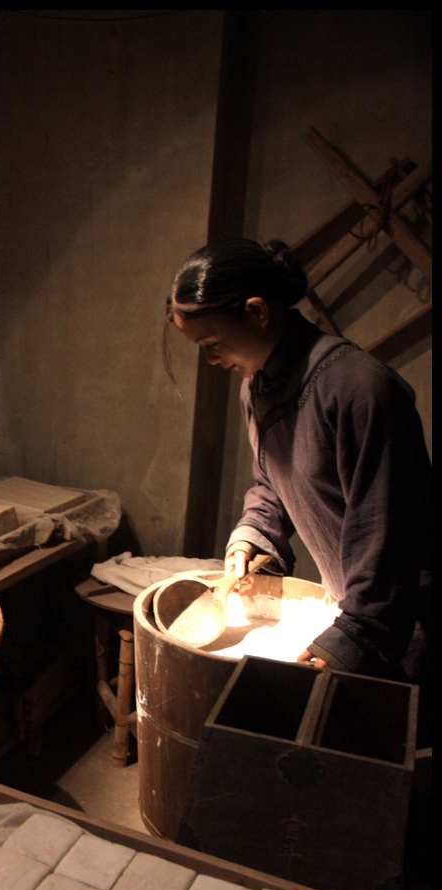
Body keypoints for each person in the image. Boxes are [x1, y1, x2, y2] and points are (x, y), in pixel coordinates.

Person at [166, 237, 432, 738]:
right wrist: (252, 539)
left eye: (211, 343)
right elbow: (272, 478)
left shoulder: (360, 390)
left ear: (257, 311)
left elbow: (387, 534)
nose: (211, 359)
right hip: (361, 605)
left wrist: (354, 638)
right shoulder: (258, 387)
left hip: (407, 624)